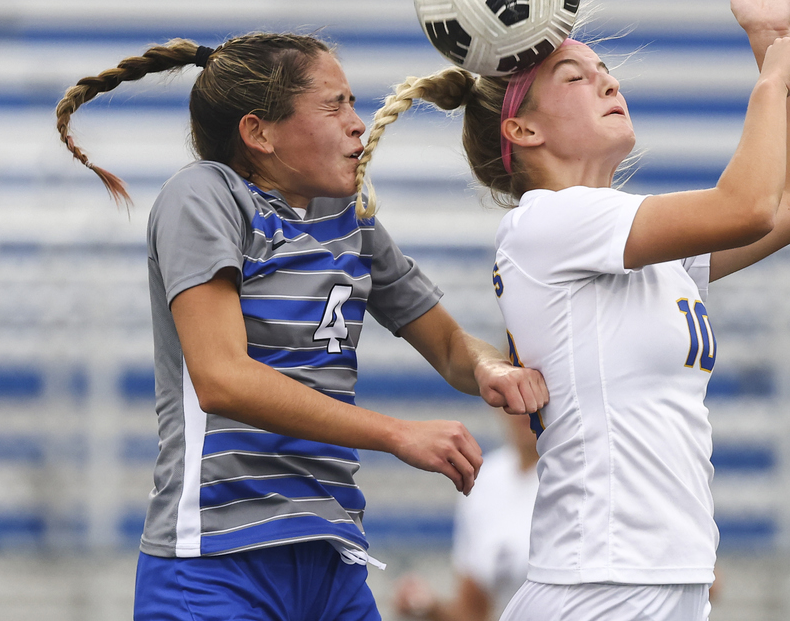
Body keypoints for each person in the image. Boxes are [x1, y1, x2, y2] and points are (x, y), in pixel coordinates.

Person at [356, 0, 790, 621]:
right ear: (522, 130)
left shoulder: (627, 236)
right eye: (574, 76)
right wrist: (769, 83)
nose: (606, 81)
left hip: (665, 576)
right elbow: (752, 205)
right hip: (600, 583)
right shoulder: (549, 222)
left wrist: (772, 43)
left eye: (605, 71)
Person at [54, 32, 548, 621]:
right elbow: (222, 379)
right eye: (335, 105)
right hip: (216, 561)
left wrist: (493, 368)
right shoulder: (204, 196)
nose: (358, 125)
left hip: (332, 561)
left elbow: (447, 344)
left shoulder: (350, 219)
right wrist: (396, 433)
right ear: (259, 132)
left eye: (354, 104)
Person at [393, 411, 540, 621]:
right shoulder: (485, 479)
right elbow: (473, 612)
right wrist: (430, 608)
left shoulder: (576, 479)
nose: (526, 409)